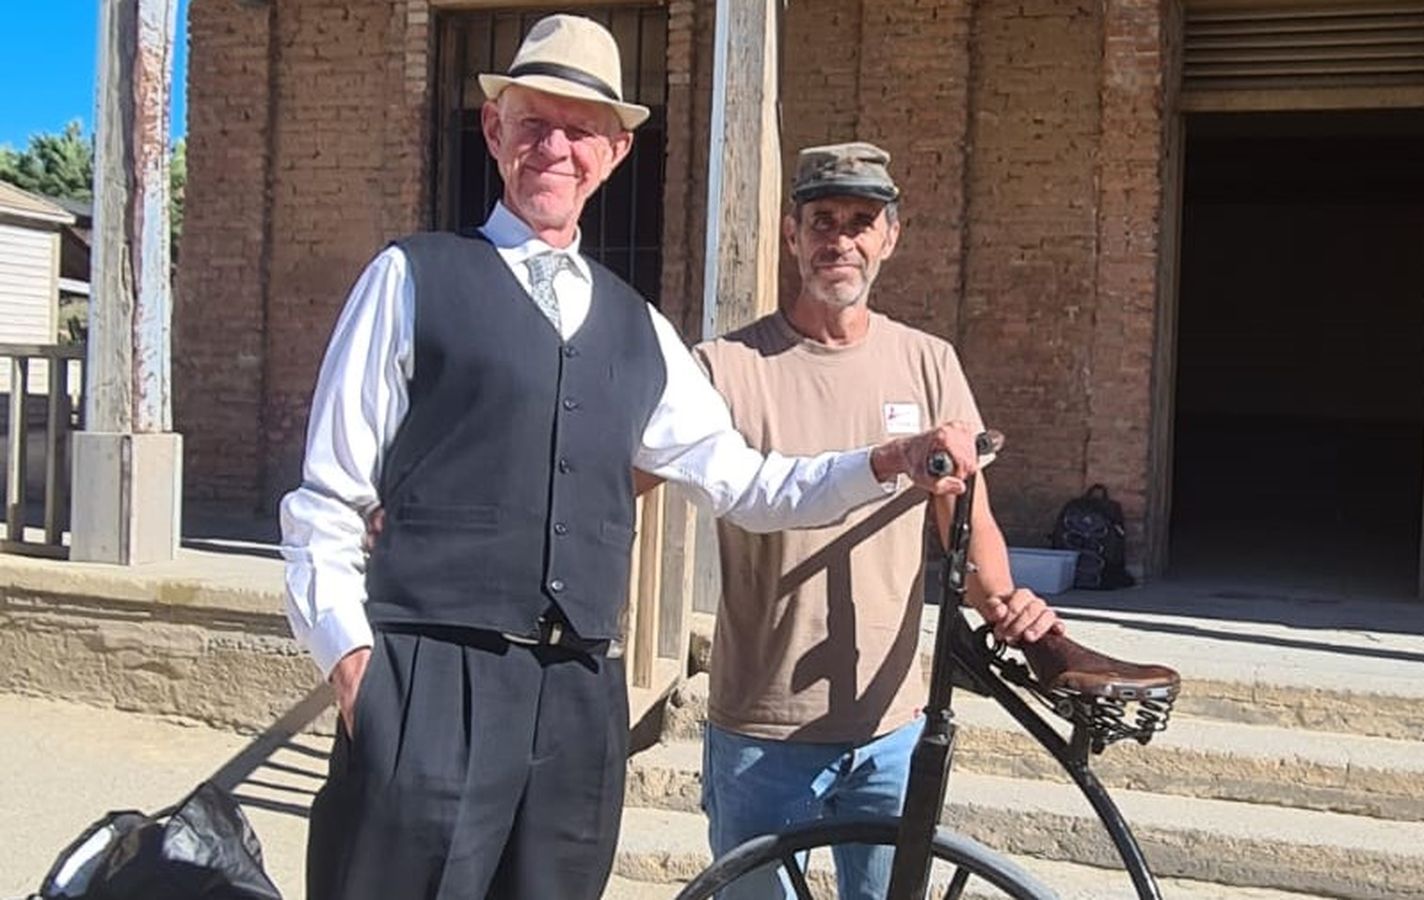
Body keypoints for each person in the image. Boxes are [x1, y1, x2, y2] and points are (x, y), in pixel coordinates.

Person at [277, 20, 980, 900]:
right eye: (534, 122)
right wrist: (357, 672)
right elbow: (326, 500)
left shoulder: (640, 329)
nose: (556, 148)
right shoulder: (411, 278)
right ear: (495, 133)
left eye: (581, 131)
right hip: (432, 681)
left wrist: (887, 460)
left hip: (577, 702)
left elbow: (751, 485)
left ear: (612, 153)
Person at [693, 142, 1167, 899]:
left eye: (860, 222)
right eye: (821, 221)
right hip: (762, 726)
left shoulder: (927, 363)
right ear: (792, 235)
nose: (839, 241)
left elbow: (964, 517)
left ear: (890, 237)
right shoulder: (726, 366)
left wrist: (1010, 604)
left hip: (890, 724)